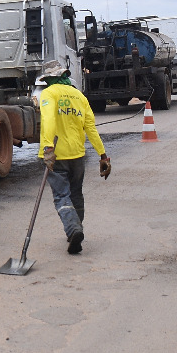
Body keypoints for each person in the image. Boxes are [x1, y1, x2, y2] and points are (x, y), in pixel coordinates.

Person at [37, 61, 111, 254]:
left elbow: (49, 121)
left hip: (58, 155)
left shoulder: (49, 93)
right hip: (77, 155)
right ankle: (76, 230)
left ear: (49, 79)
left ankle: (73, 229)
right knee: (76, 194)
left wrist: (48, 148)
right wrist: (103, 155)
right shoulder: (79, 96)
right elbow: (91, 128)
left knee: (62, 195)